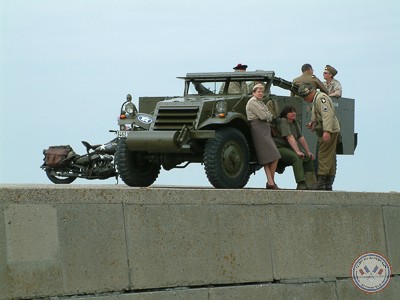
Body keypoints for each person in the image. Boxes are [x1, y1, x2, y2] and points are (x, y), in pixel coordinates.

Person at [297, 82, 340, 190]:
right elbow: (320, 115)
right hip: (330, 130)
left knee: (323, 156)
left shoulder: (321, 99)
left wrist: (327, 131)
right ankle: (328, 183)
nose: (305, 99)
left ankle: (321, 182)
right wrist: (313, 122)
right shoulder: (317, 99)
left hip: (328, 131)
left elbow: (327, 115)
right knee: (329, 157)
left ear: (311, 92)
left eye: (305, 96)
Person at [272, 106, 317, 190]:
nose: (293, 113)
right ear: (285, 114)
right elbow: (289, 137)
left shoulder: (294, 122)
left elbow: (301, 137)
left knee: (307, 158)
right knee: (296, 157)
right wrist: (297, 151)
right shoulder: (283, 121)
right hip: (278, 148)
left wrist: (308, 152)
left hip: (289, 148)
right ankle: (301, 183)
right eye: (290, 112)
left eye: (294, 112)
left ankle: (311, 183)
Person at [246, 83, 281, 189]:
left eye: (262, 91)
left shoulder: (259, 102)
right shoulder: (252, 102)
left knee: (268, 158)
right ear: (253, 93)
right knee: (273, 156)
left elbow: (268, 115)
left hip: (264, 130)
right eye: (259, 91)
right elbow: (264, 115)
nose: (261, 93)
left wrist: (268, 116)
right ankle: (271, 182)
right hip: (259, 130)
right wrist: (268, 116)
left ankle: (271, 182)